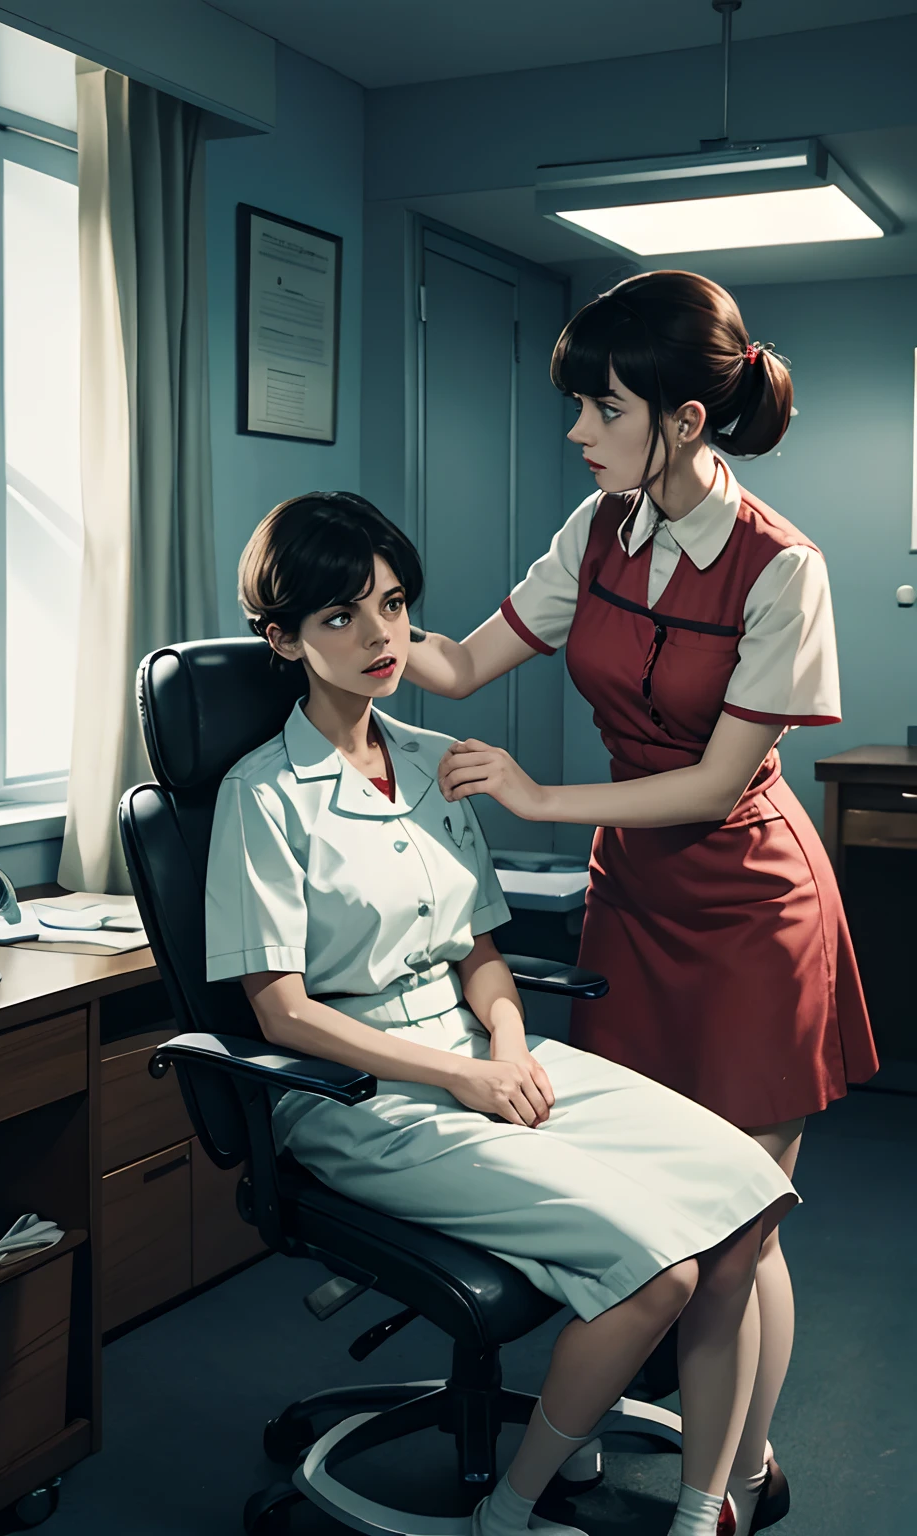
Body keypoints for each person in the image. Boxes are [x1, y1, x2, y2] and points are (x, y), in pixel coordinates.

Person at [205, 490, 799, 1536]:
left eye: (392, 605)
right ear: (284, 639)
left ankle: (708, 1508)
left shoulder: (438, 762)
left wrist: (512, 1045)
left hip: (489, 1047)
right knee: (655, 1270)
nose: (380, 635)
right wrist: (464, 1078)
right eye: (340, 617)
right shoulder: (261, 797)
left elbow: (482, 951)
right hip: (359, 1091)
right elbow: (283, 1014)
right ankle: (510, 1510)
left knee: (749, 1196)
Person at [402, 270, 879, 1533]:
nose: (573, 430)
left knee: (736, 1233)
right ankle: (656, 1444)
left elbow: (721, 781)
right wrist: (357, 632)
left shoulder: (783, 568)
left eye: (593, 406)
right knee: (633, 1211)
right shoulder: (596, 528)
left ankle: (717, 1494)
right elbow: (460, 666)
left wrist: (536, 799)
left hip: (750, 914)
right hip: (635, 896)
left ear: (675, 419)